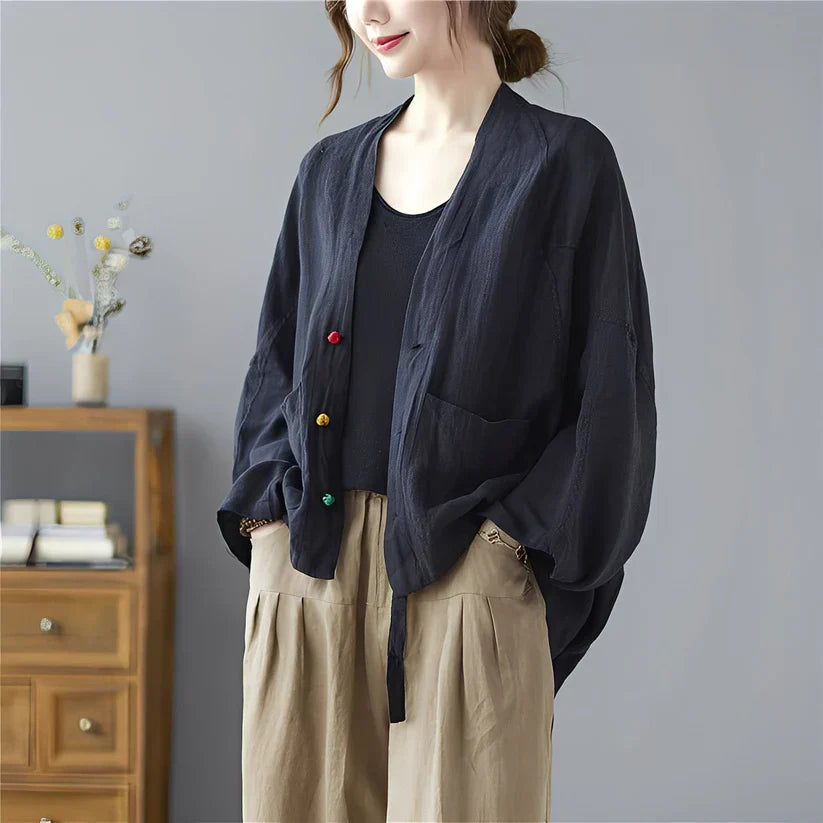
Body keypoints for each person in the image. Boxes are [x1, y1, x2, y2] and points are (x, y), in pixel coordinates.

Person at [217, 1, 657, 821]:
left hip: (464, 564)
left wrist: (508, 542)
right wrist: (266, 523)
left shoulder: (562, 165)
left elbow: (611, 388)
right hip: (309, 563)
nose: (368, 12)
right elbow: (276, 364)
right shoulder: (328, 171)